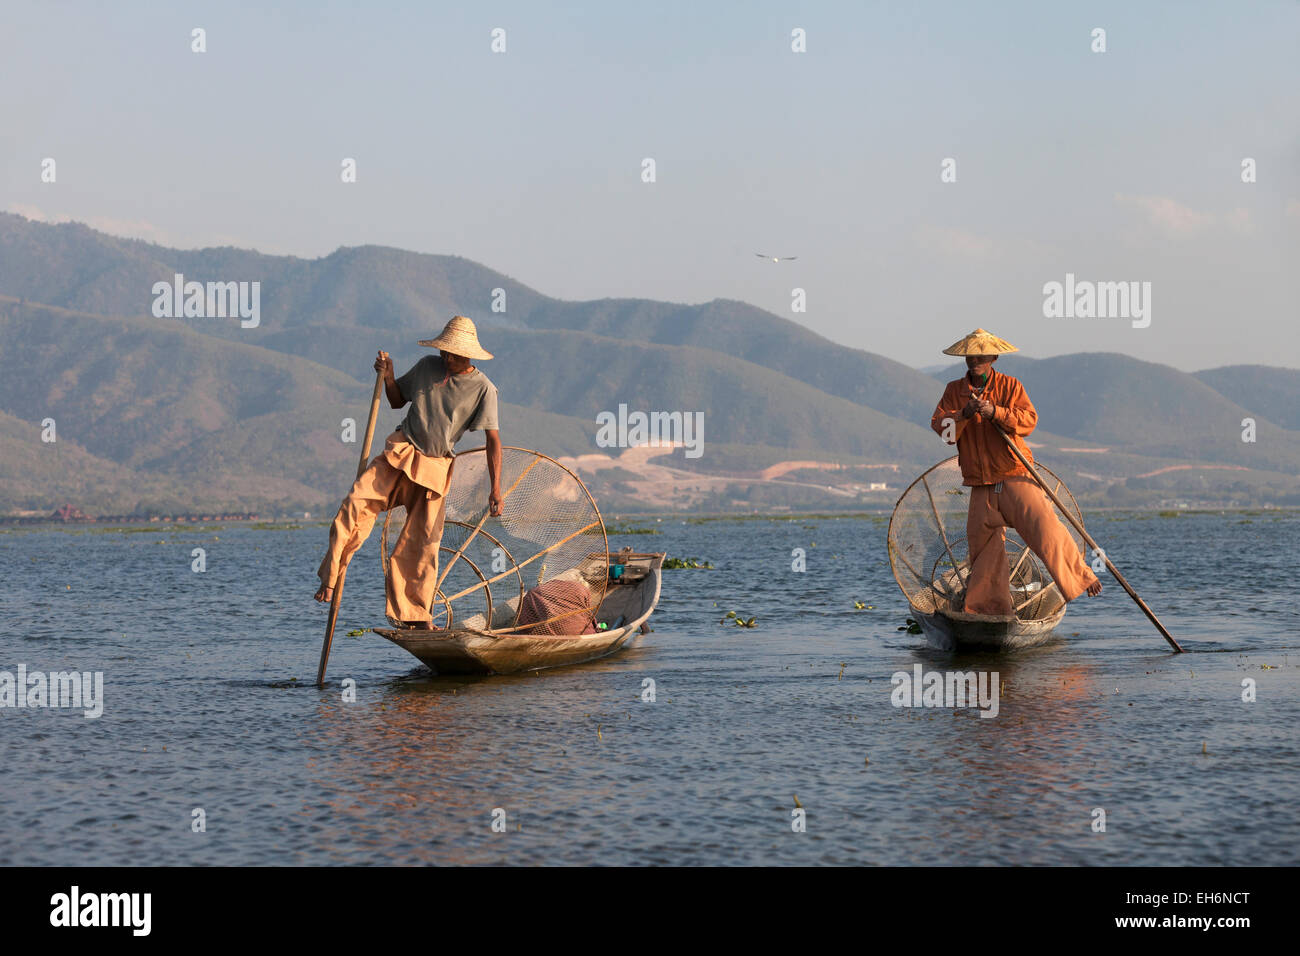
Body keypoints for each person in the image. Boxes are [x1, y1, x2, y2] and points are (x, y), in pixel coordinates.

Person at [314, 315, 503, 628]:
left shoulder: (483, 389)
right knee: (354, 505)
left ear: (468, 354)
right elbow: (396, 400)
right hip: (401, 452)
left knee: (421, 545)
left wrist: (495, 489)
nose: (447, 357)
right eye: (445, 351)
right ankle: (331, 578)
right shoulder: (428, 366)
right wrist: (388, 376)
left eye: (454, 354)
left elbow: (492, 441)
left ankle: (416, 617)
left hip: (434, 469)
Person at [929, 328, 1101, 616]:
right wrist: (964, 414)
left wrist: (995, 412)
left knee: (1046, 528)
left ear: (993, 357)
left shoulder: (1010, 386)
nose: (975, 361)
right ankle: (989, 609)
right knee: (982, 550)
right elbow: (944, 431)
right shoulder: (953, 392)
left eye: (982, 356)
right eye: (971, 356)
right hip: (980, 482)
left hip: (1013, 473)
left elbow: (1028, 422)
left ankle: (1081, 577)